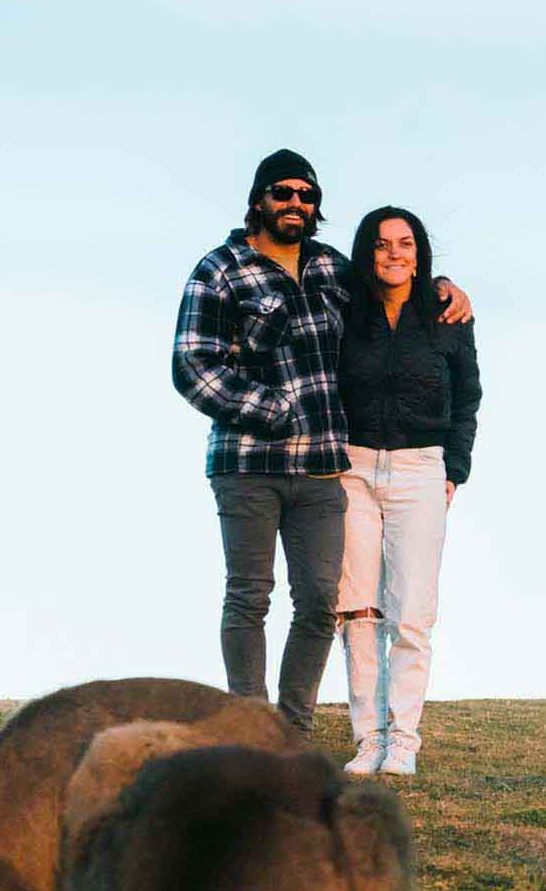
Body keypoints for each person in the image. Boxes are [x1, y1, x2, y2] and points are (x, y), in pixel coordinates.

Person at [170, 151, 466, 733]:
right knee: (250, 597)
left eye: (307, 196)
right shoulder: (220, 269)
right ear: (259, 200)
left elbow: (392, 280)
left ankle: (293, 730)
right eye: (283, 193)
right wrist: (273, 410)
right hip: (247, 466)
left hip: (325, 471)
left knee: (318, 605)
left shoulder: (332, 269)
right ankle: (250, 729)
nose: (295, 204)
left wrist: (443, 286)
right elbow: (191, 367)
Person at [333, 205, 481, 776]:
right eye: (380, 244)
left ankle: (404, 742)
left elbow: (468, 396)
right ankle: (368, 738)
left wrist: (454, 469)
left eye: (404, 243)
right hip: (354, 467)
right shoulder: (347, 312)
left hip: (421, 467)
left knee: (412, 612)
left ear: (419, 253)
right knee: (358, 609)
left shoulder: (447, 315)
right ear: (366, 253)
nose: (393, 254)